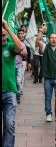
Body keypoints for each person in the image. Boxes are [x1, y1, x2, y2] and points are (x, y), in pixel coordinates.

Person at [36, 23, 56, 122]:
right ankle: (48, 113)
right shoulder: (45, 47)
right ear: (49, 39)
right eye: (52, 38)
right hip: (48, 78)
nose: (54, 39)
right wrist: (41, 31)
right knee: (48, 97)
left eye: (55, 38)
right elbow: (37, 41)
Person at [2, 19, 23, 147]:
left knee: (9, 125)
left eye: (4, 35)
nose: (3, 38)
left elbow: (20, 47)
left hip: (9, 92)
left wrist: (8, 28)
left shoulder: (10, 46)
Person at [15, 29, 28, 104]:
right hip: (10, 66)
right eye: (18, 33)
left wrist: (19, 51)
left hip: (19, 65)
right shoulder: (12, 42)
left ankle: (18, 95)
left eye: (21, 33)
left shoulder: (22, 44)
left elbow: (25, 54)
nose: (20, 34)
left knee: (18, 81)